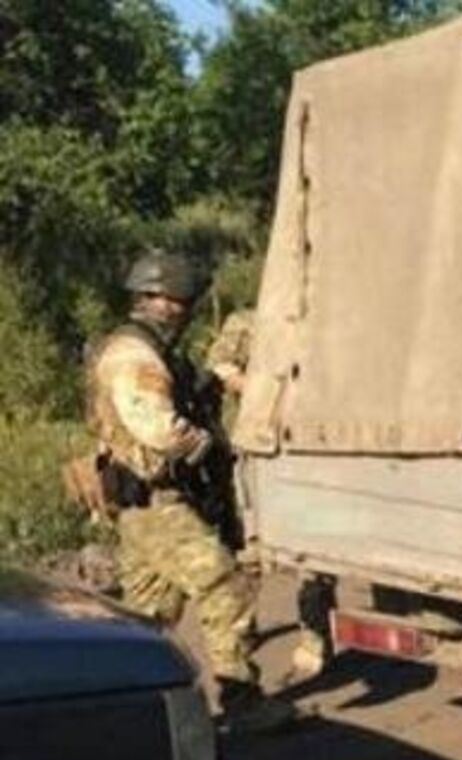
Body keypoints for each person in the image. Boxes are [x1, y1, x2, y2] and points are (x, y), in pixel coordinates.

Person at [84, 251, 300, 733]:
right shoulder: (134, 356)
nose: (183, 310)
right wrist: (201, 445)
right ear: (159, 300)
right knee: (224, 583)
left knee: (149, 612)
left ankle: (123, 704)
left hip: (145, 502)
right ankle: (241, 700)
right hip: (157, 499)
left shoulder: (145, 350)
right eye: (180, 302)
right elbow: (157, 428)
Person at [205, 305, 335, 684]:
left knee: (314, 557)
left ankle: (314, 643)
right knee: (248, 550)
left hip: (312, 451)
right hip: (259, 448)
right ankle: (241, 633)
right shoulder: (248, 321)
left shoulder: (322, 316)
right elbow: (219, 366)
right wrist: (263, 390)